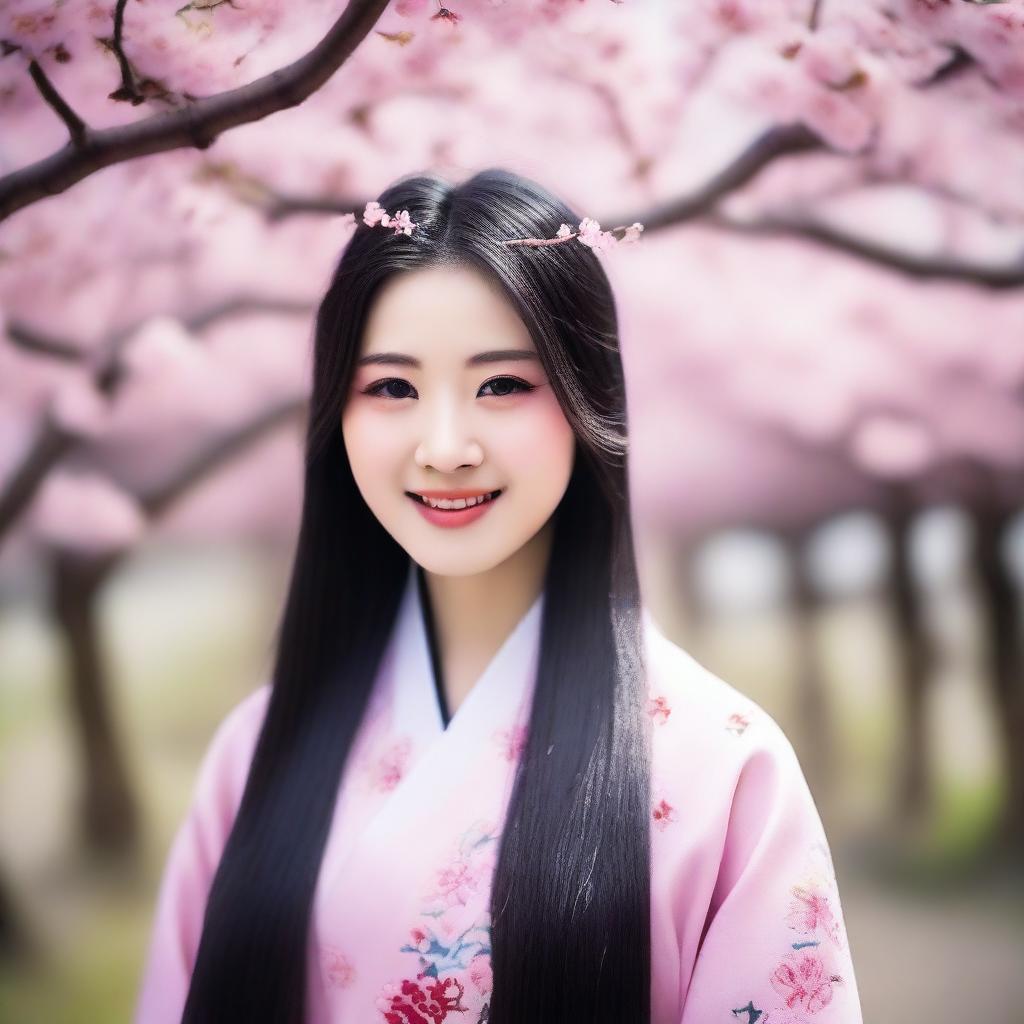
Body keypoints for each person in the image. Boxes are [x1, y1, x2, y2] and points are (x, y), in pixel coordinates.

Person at [132, 168, 864, 1024]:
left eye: (504, 385)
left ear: (587, 397)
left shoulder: (723, 764)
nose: (445, 447)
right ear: (338, 413)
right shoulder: (255, 751)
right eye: (392, 388)